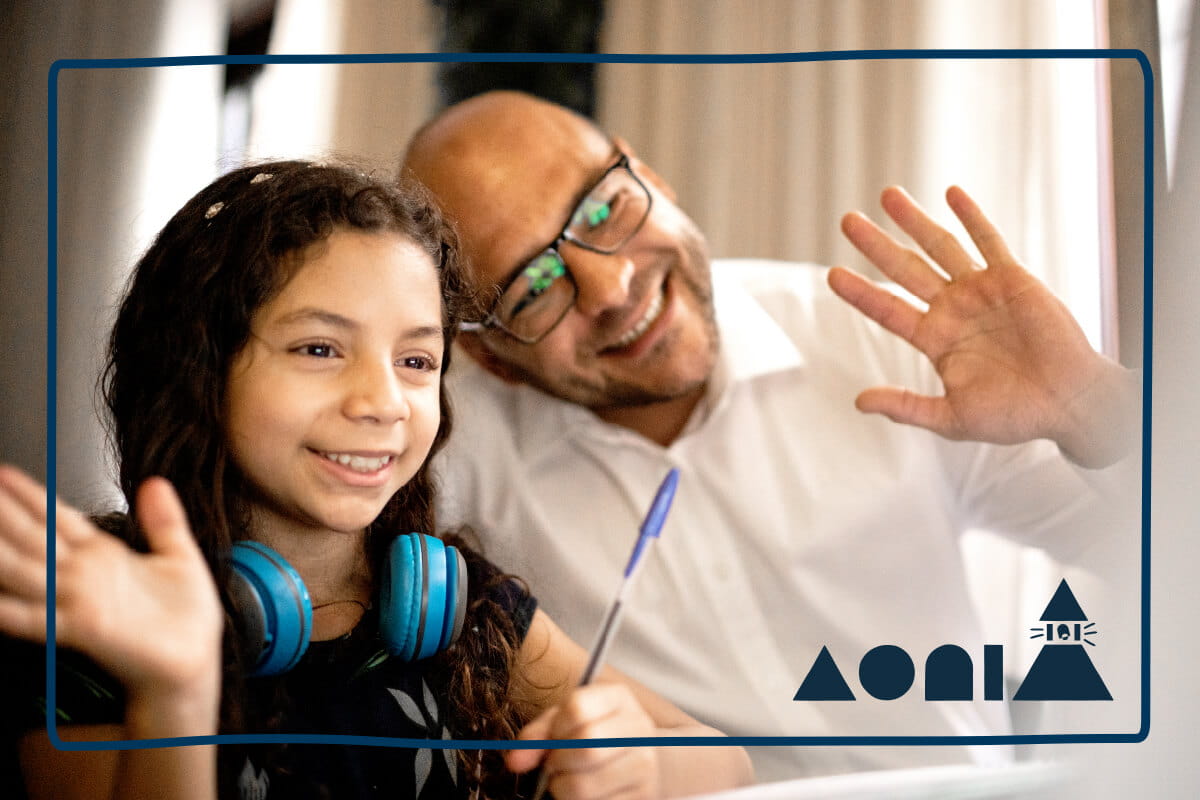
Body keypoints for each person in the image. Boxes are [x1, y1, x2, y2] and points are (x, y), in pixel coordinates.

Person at [401, 91, 1142, 782]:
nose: (611, 287)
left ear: (650, 178)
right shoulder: (444, 472)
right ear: (491, 356)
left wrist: (1089, 407)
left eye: (602, 212)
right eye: (534, 286)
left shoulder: (876, 340)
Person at [0, 160, 753, 800]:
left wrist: (648, 762)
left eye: (417, 361)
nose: (383, 402)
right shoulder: (86, 628)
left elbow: (727, 761)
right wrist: (173, 693)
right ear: (198, 373)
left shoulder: (466, 610)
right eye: (321, 349)